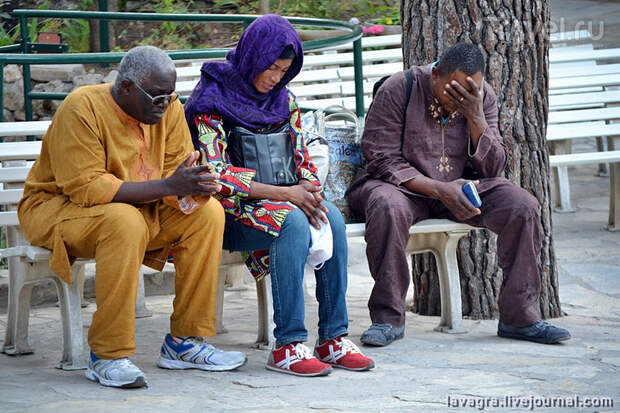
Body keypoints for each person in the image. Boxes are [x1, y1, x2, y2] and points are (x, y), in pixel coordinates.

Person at [17, 46, 247, 389]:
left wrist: (192, 185)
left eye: (171, 95)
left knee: (207, 214)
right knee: (123, 221)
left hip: (138, 209)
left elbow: (174, 170)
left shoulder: (168, 110)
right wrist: (170, 184)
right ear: (125, 87)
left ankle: (186, 342)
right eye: (156, 96)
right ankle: (108, 355)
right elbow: (88, 189)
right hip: (59, 210)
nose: (165, 104)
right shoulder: (82, 108)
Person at [184, 14, 374, 377]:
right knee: (292, 221)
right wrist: (288, 194)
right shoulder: (212, 98)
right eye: (270, 67)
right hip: (227, 211)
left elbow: (300, 156)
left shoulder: (283, 99)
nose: (275, 78)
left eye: (284, 70)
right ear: (253, 55)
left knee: (330, 216)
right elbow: (216, 175)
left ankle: (333, 337)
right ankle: (287, 344)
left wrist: (310, 189)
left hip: (282, 196)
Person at [347, 42, 571, 347]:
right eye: (453, 90)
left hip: (458, 189)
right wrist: (439, 189)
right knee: (387, 205)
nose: (462, 98)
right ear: (435, 74)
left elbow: (493, 168)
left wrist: (476, 117)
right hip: (401, 189)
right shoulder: (400, 88)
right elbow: (381, 158)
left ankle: (519, 317)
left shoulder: (481, 98)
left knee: (523, 206)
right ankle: (388, 318)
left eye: (471, 91)